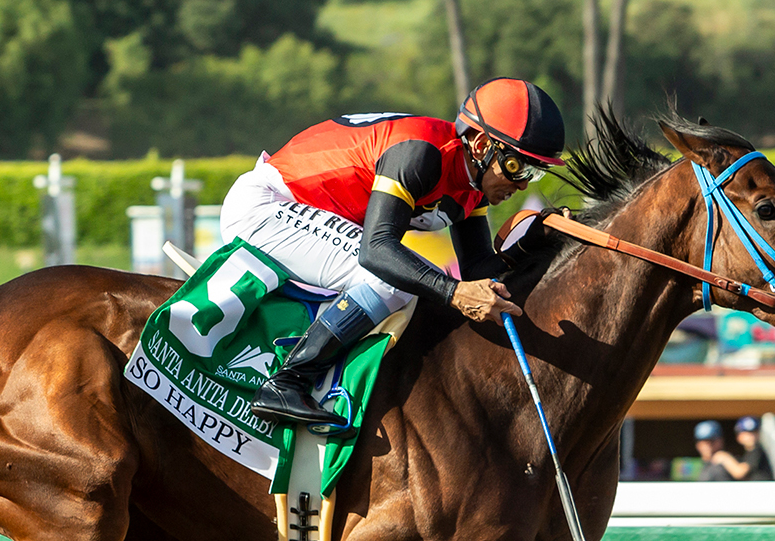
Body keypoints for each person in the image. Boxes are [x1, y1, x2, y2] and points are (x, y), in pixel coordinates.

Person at [225, 77, 567, 426]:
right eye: (516, 166)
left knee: (411, 277)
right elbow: (376, 251)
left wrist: (535, 243)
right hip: (267, 206)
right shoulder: (421, 154)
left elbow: (478, 271)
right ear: (480, 145)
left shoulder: (473, 186)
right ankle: (287, 382)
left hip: (306, 213)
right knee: (393, 279)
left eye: (534, 173)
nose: (523, 183)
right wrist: (453, 292)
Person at [719, 416, 775, 481]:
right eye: (747, 433)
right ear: (739, 436)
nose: (752, 436)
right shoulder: (748, 451)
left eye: (754, 432)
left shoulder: (756, 449)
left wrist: (725, 458)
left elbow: (739, 473)